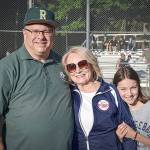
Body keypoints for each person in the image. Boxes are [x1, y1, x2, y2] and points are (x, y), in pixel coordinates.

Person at [0, 6, 74, 150]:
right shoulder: (7, 67)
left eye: (47, 31)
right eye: (35, 31)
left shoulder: (64, 64)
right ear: (24, 33)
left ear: (53, 34)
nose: (41, 36)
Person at [61, 46, 137, 150]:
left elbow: (128, 130)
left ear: (91, 65)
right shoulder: (67, 93)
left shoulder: (111, 91)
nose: (77, 70)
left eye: (82, 64)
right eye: (71, 67)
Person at [113, 66, 150, 149]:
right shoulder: (114, 111)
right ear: (115, 89)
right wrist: (118, 138)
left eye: (133, 88)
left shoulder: (148, 108)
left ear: (139, 86)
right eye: (123, 89)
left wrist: (135, 135)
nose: (129, 93)